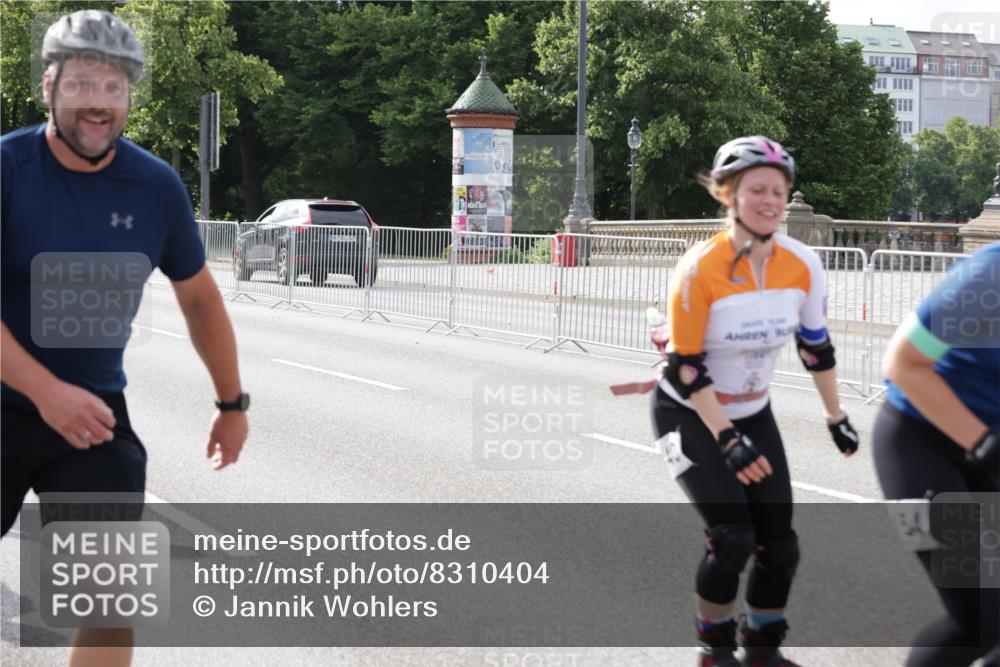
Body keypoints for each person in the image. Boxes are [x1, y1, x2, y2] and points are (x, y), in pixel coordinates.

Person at [1, 10, 249, 666]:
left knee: (109, 603)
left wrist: (232, 405)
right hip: (10, 401)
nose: (98, 104)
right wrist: (44, 389)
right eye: (82, 84)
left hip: (90, 419)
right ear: (49, 85)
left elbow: (199, 298)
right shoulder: (6, 170)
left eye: (114, 88)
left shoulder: (154, 186)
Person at [650, 136, 860, 667]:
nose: (770, 201)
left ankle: (762, 648)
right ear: (727, 195)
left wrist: (835, 416)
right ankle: (713, 648)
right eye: (756, 190)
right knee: (732, 538)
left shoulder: (803, 263)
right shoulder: (699, 269)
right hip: (688, 412)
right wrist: (726, 437)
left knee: (780, 545)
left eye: (778, 191)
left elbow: (815, 347)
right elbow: (685, 366)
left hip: (752, 411)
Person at [873, 241, 999, 667]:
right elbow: (901, 363)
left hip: (988, 454)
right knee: (980, 620)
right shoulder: (990, 273)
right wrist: (984, 445)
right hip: (919, 444)